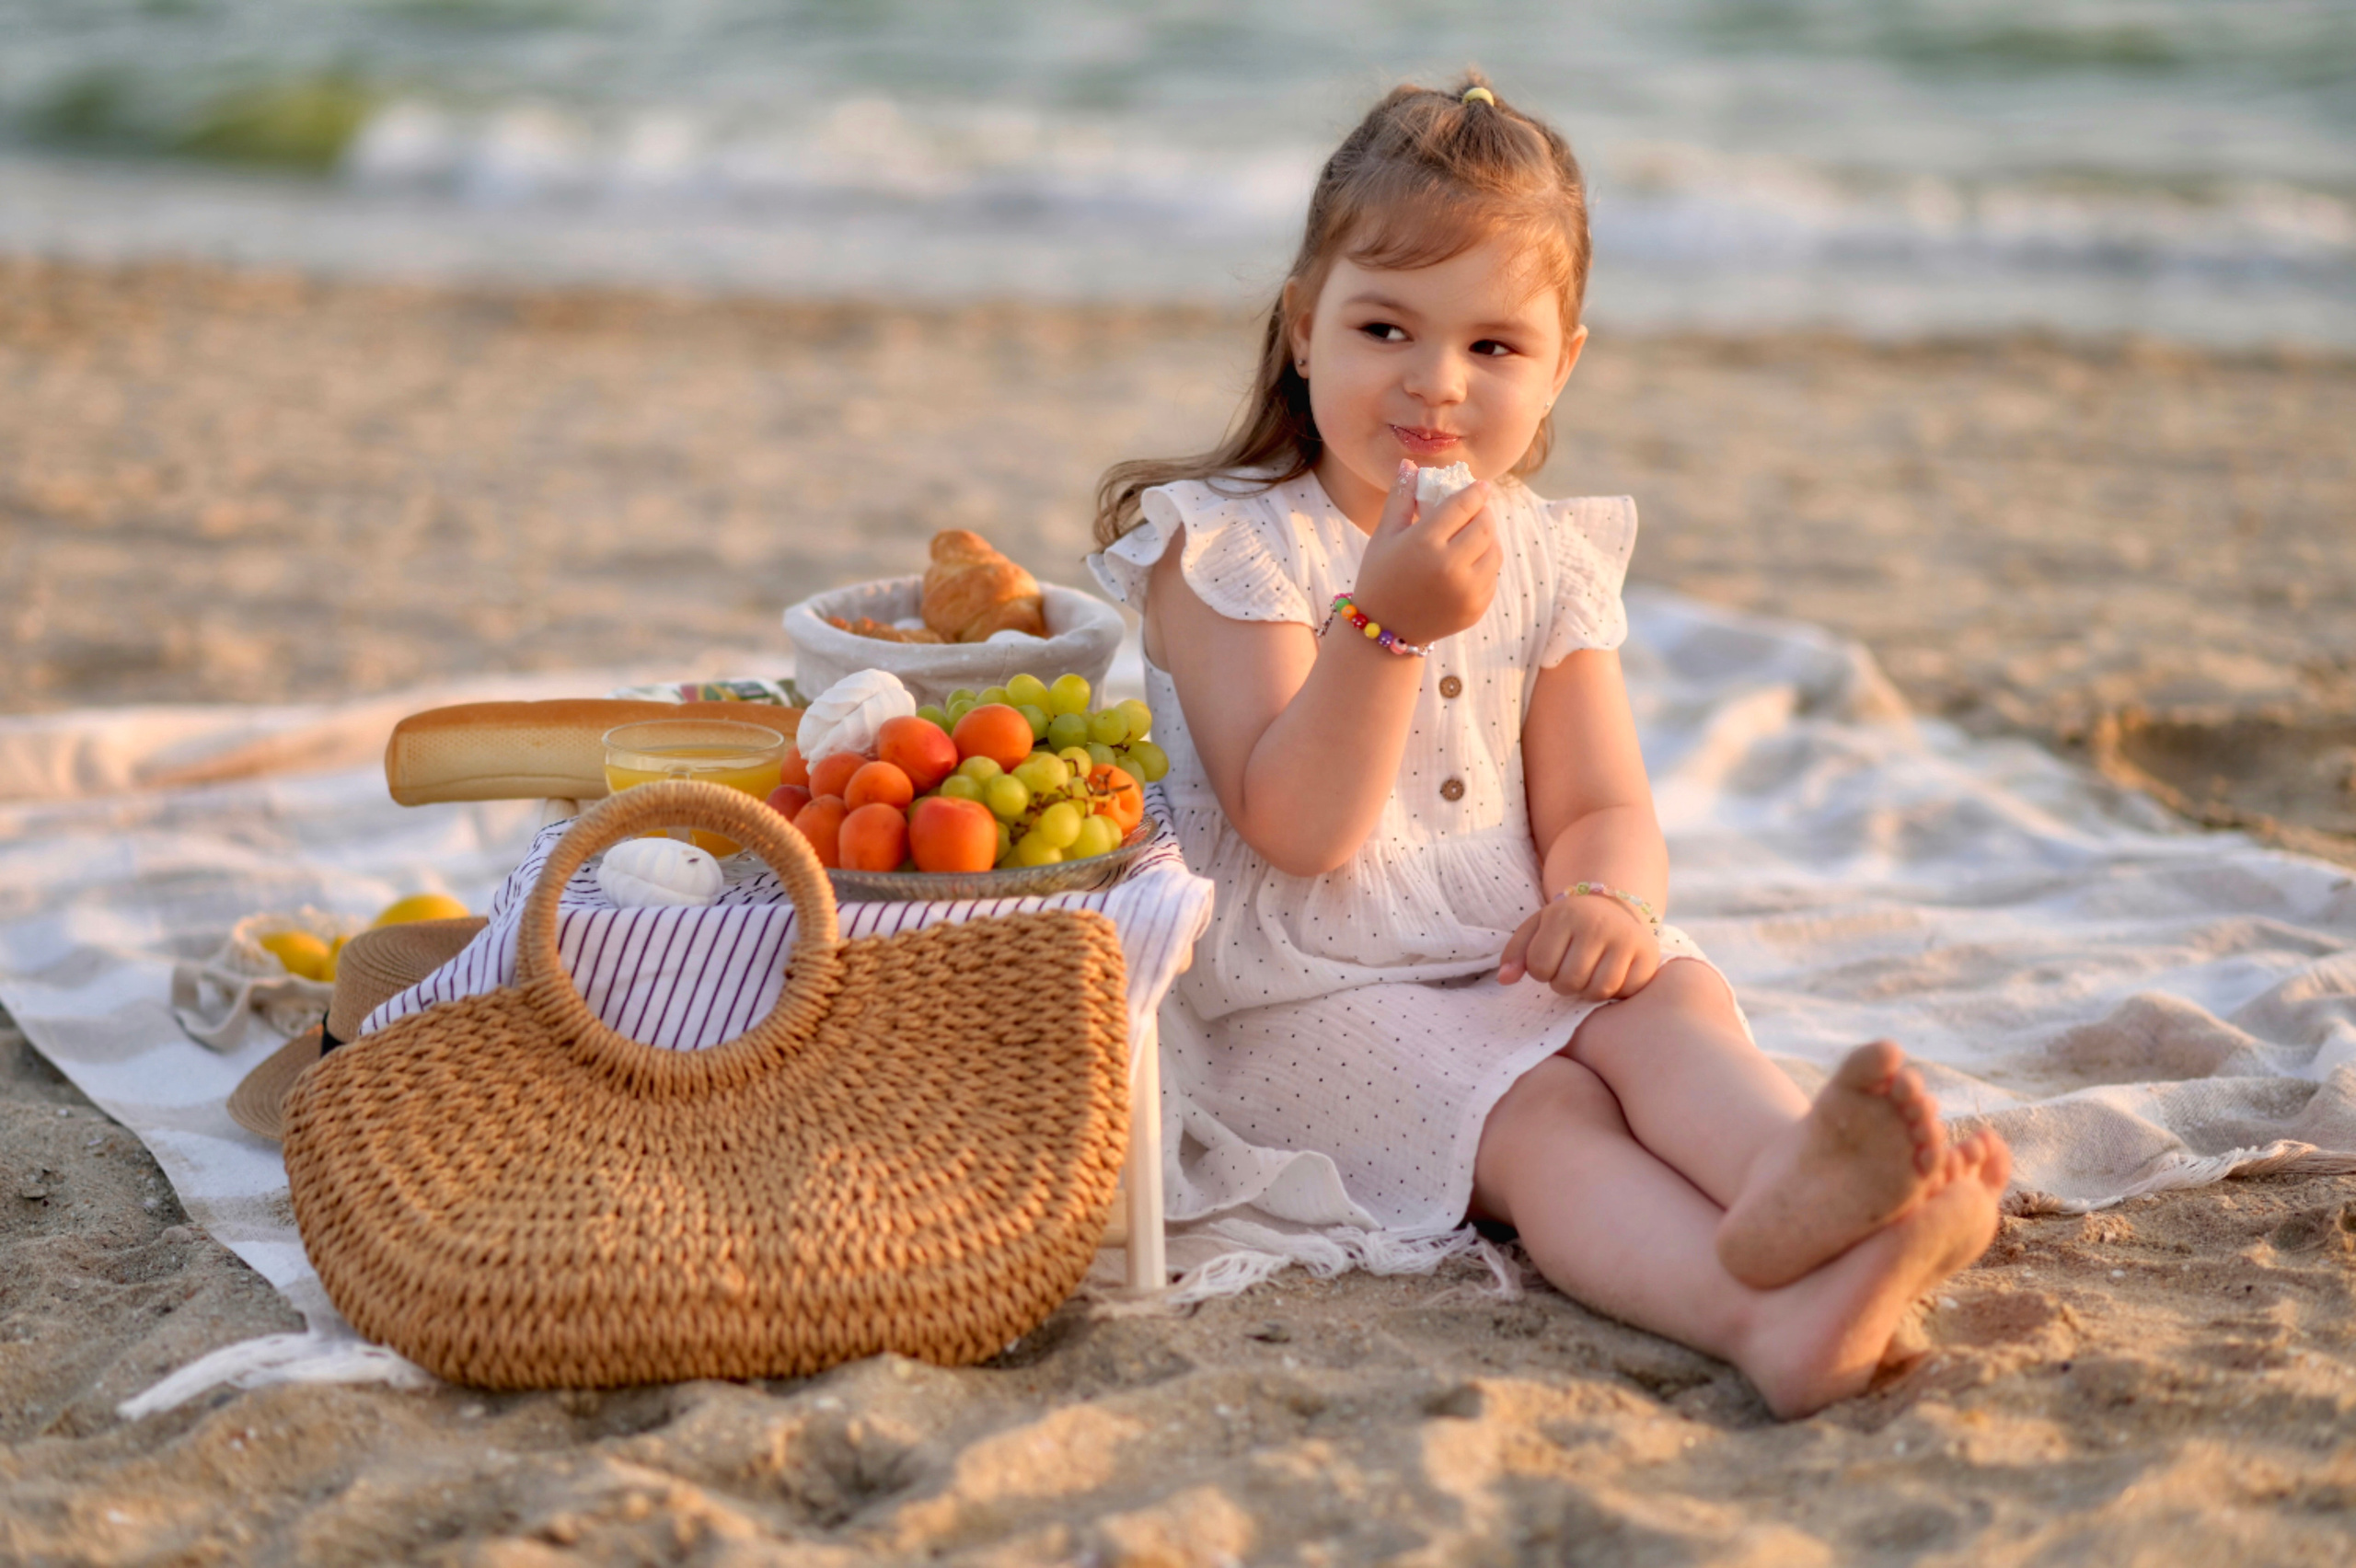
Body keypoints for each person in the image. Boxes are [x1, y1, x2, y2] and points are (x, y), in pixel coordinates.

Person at [1085, 75, 2009, 1418]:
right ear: (1303, 327)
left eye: (1494, 348)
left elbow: (1605, 801)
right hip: (1308, 994)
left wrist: (1604, 897)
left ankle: (1798, 1194)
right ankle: (1759, 1314)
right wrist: (1384, 632)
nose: (1434, 383)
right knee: (1541, 1120)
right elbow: (1301, 824)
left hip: (1506, 942)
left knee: (1668, 1003)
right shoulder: (1230, 546)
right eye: (1385, 326)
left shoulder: (1548, 551)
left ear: (1564, 359)